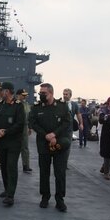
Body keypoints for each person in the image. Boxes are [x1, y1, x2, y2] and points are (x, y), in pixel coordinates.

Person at [28, 83, 71, 212]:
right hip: (43, 144)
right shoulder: (36, 108)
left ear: (51, 93)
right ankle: (45, 197)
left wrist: (54, 134)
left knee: (60, 173)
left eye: (43, 93)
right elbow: (32, 123)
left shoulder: (62, 107)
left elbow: (66, 122)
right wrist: (45, 135)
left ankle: (60, 199)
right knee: (44, 172)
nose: (41, 95)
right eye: (40, 93)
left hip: (59, 144)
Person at [0, 82, 25, 206]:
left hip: (13, 142)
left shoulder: (18, 106)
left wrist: (5, 131)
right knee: (4, 166)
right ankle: (7, 189)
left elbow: (19, 124)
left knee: (11, 166)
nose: (0, 92)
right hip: (2, 141)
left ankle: (11, 195)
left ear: (7, 91)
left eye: (1, 91)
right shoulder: (0, 105)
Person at [16, 89, 33, 173]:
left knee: (25, 147)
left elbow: (29, 116)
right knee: (14, 147)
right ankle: (12, 165)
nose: (25, 96)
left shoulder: (26, 104)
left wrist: (30, 127)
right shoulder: (15, 104)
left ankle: (26, 165)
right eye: (23, 95)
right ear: (18, 95)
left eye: (25, 95)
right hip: (16, 127)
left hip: (25, 127)